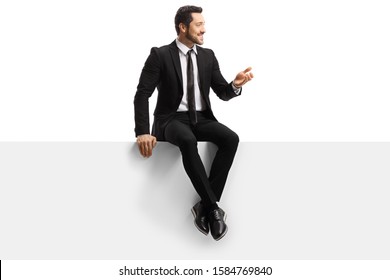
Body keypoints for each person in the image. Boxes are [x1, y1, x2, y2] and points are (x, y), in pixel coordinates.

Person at [134, 5, 253, 241]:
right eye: (199, 25)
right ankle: (214, 210)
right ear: (183, 27)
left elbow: (222, 92)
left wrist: (236, 85)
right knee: (187, 140)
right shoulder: (160, 55)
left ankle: (205, 206)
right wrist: (143, 132)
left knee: (231, 138)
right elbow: (142, 94)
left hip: (201, 118)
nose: (204, 30)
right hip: (171, 119)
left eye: (204, 25)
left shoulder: (208, 56)